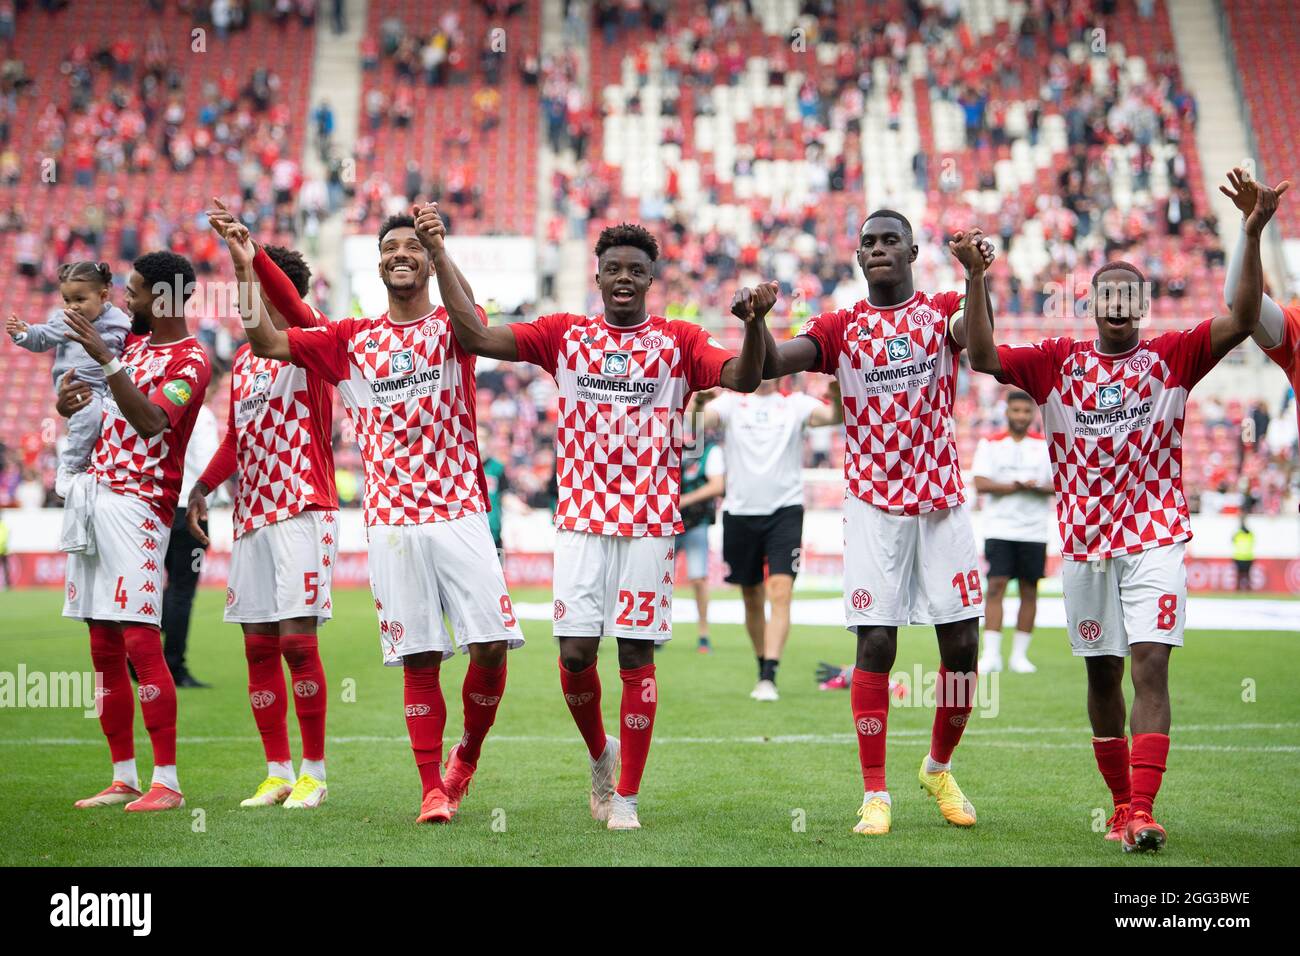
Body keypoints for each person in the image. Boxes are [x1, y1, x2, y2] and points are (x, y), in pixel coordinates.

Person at [964, 173, 1284, 852]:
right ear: (1091, 304)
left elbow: (1247, 315)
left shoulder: (1173, 355)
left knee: (1150, 664)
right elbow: (984, 354)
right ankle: (1118, 806)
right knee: (1101, 671)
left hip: (1155, 535)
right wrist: (978, 279)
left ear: (1140, 304)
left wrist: (1252, 231)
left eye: (1127, 295)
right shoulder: (1056, 362)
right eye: (1106, 294)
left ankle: (1143, 809)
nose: (1116, 305)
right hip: (1084, 544)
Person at [431, 208, 766, 830]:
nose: (623, 278)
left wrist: (755, 326)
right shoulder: (565, 335)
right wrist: (438, 251)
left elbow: (743, 378)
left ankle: (628, 797)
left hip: (648, 523)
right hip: (582, 520)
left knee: (636, 653)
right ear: (598, 274)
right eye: (612, 268)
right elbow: (477, 337)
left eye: (635, 270)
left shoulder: (680, 340)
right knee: (578, 655)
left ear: (650, 279)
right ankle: (599, 759)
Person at [210, 200, 523, 825]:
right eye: (389, 249)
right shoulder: (352, 340)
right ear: (377, 264)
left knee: (490, 648)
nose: (399, 255)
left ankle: (467, 755)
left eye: (411, 248)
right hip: (392, 522)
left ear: (427, 261)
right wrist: (247, 267)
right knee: (421, 658)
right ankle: (432, 787)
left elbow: (474, 328)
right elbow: (267, 338)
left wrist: (442, 251)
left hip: (459, 512)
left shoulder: (455, 325)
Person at [749, 210, 995, 836]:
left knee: (963, 648)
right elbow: (773, 364)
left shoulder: (941, 311)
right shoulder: (841, 328)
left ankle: (938, 768)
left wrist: (975, 278)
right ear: (858, 258)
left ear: (912, 250)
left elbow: (983, 344)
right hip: (873, 505)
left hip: (941, 500)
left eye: (890, 240)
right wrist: (756, 325)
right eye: (868, 242)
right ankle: (876, 793)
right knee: (876, 646)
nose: (879, 249)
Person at [55, 250, 212, 812]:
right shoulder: (135, 347)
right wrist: (66, 405)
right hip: (96, 495)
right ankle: (123, 775)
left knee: (142, 641)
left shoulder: (193, 360)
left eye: (137, 289)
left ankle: (166, 783)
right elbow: (109, 411)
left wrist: (107, 360)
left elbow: (151, 423)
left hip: (141, 506)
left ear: (166, 298)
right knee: (102, 645)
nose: (126, 297)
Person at [188, 244, 339, 809]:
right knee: (258, 648)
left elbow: (293, 318)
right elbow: (235, 439)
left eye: (256, 286)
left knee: (298, 642)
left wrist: (249, 262)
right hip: (253, 515)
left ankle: (314, 773)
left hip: (304, 507)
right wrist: (201, 488)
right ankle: (277, 771)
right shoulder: (247, 363)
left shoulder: (313, 339)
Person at [693, 377, 843, 699]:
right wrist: (699, 402)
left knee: (781, 591)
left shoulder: (795, 404)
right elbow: (695, 424)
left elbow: (833, 418)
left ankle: (769, 674)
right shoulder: (732, 403)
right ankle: (761, 663)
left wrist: (839, 396)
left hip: (784, 511)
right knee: (751, 596)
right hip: (740, 512)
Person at [6, 262, 131, 496]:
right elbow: (41, 337)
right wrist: (23, 332)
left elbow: (131, 345)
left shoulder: (120, 320)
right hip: (80, 385)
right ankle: (72, 465)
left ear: (103, 295)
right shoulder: (65, 319)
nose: (72, 307)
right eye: (67, 300)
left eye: (79, 300)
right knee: (90, 416)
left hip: (111, 385)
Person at [971, 390, 1053, 673]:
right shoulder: (991, 444)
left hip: (1034, 530)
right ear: (1006, 413)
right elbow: (980, 483)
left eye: (1026, 411)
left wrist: (1035, 487)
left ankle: (1020, 656)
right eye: (1016, 411)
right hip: (999, 527)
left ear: (1032, 415)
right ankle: (990, 654)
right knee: (995, 587)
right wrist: (1015, 485)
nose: (1021, 416)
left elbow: (1059, 483)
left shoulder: (1045, 445)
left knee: (1030, 590)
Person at [160, 376, 219, 689]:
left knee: (160, 587)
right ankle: (173, 665)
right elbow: (209, 463)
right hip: (192, 512)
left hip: (162, 507)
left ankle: (141, 653)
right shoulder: (203, 415)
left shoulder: (162, 408)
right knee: (183, 591)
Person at [675, 434, 723, 653]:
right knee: (656, 578)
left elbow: (717, 486)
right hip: (665, 521)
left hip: (695, 522)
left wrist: (684, 500)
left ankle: (704, 633)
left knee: (698, 578)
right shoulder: (665, 440)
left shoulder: (709, 450)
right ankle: (653, 630)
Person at [1232, 521, 1255, 592]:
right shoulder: (1250, 535)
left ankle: (1240, 589)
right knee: (1246, 575)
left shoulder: (1239, 535)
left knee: (1241, 575)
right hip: (1247, 557)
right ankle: (1246, 589)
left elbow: (1232, 539)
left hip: (1240, 557)